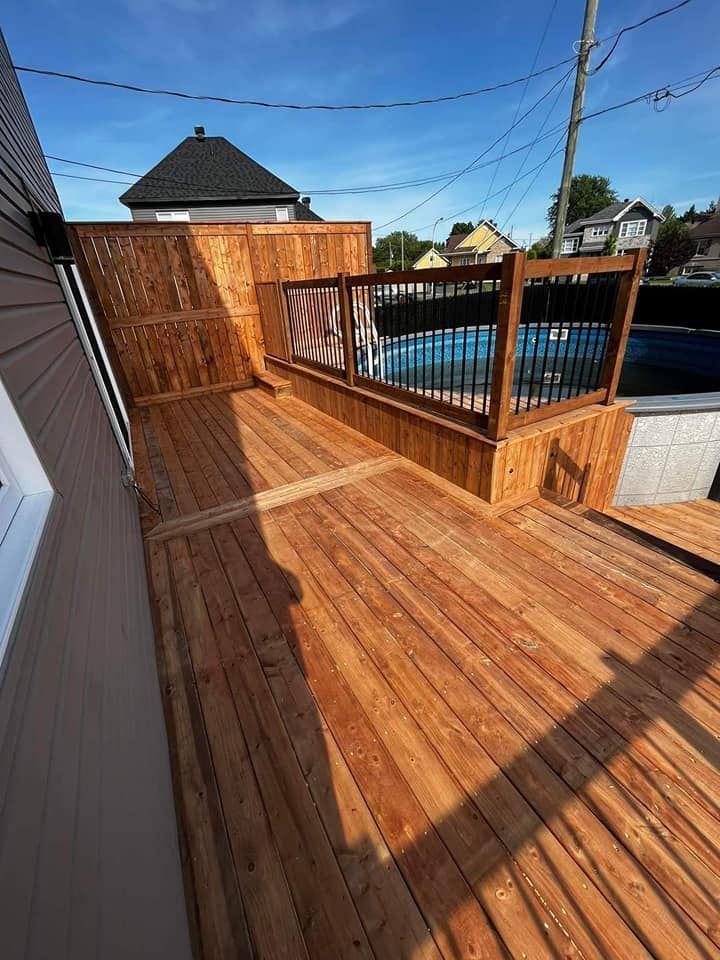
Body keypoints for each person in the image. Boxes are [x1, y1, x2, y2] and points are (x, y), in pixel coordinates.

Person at [327, 289, 384, 377]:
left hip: (361, 343)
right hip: (354, 348)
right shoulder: (343, 333)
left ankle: (372, 374)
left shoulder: (359, 330)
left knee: (372, 349)